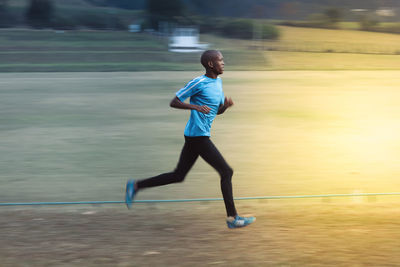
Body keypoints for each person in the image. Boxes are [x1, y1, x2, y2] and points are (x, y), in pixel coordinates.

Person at [125, 50, 255, 229]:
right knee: (227, 172)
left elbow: (214, 110)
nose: (223, 63)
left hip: (197, 135)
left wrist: (224, 107)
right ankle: (233, 218)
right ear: (211, 64)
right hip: (198, 136)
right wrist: (195, 107)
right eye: (220, 60)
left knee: (178, 175)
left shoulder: (218, 82)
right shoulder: (198, 82)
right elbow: (174, 101)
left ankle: (136, 185)